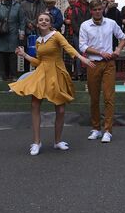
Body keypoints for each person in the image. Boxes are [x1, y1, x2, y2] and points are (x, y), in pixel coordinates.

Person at [10, 12, 94, 154]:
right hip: (42, 74)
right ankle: (36, 142)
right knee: (35, 105)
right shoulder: (38, 41)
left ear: (50, 23)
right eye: (41, 20)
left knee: (60, 110)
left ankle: (57, 141)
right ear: (37, 23)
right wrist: (24, 55)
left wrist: (81, 58)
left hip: (56, 74)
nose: (43, 22)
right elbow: (39, 62)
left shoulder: (56, 35)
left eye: (46, 20)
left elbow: (68, 47)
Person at [80, 0, 125, 143]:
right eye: (95, 10)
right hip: (93, 63)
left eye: (100, 9)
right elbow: (82, 46)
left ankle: (107, 130)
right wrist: (101, 53)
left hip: (109, 64)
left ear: (103, 9)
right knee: (94, 98)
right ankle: (96, 128)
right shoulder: (85, 25)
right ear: (91, 11)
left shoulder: (111, 23)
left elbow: (123, 38)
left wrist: (118, 49)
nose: (98, 11)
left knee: (108, 97)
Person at [71, 0, 91, 80]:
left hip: (89, 34)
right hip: (77, 34)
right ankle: (79, 73)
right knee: (79, 54)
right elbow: (73, 21)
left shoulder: (90, 7)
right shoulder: (75, 7)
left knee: (88, 53)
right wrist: (80, 32)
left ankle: (87, 73)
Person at [63, 0, 77, 75]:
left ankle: (76, 73)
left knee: (76, 53)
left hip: (76, 33)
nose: (71, 0)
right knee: (67, 53)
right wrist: (65, 21)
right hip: (68, 33)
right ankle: (68, 74)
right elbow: (64, 20)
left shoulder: (78, 9)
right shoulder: (67, 9)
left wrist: (71, 21)